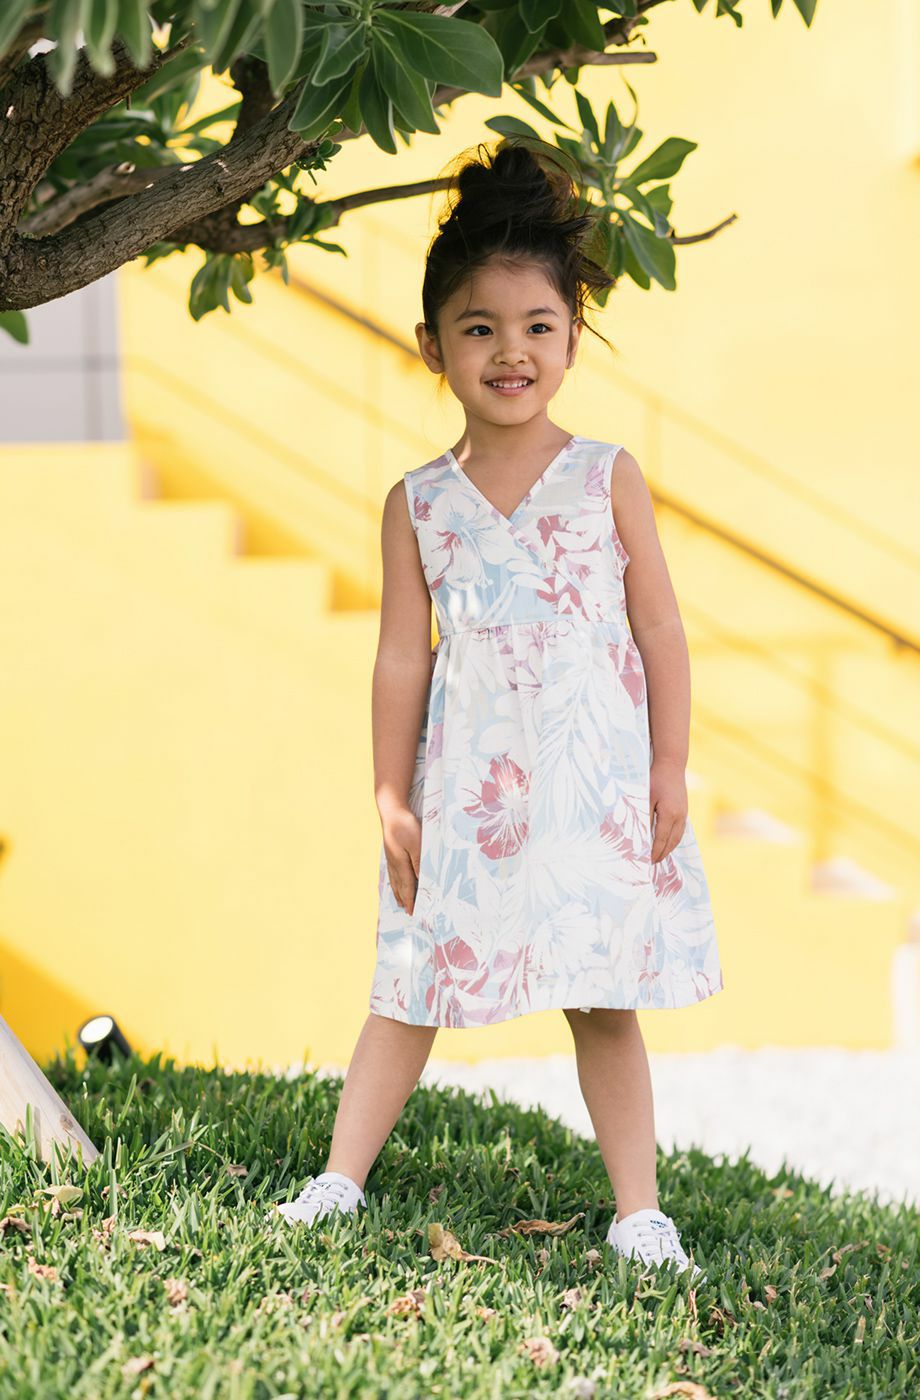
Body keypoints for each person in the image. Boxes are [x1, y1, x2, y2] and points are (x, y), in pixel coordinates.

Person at [276, 140, 724, 1276]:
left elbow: (662, 631)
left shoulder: (609, 476)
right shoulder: (417, 503)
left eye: (536, 325)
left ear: (572, 336)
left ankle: (639, 1213)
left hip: (591, 780)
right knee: (410, 979)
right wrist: (390, 792)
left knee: (602, 998)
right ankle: (337, 1181)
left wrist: (669, 765)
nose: (510, 350)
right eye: (478, 328)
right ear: (433, 345)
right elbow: (400, 658)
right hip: (469, 787)